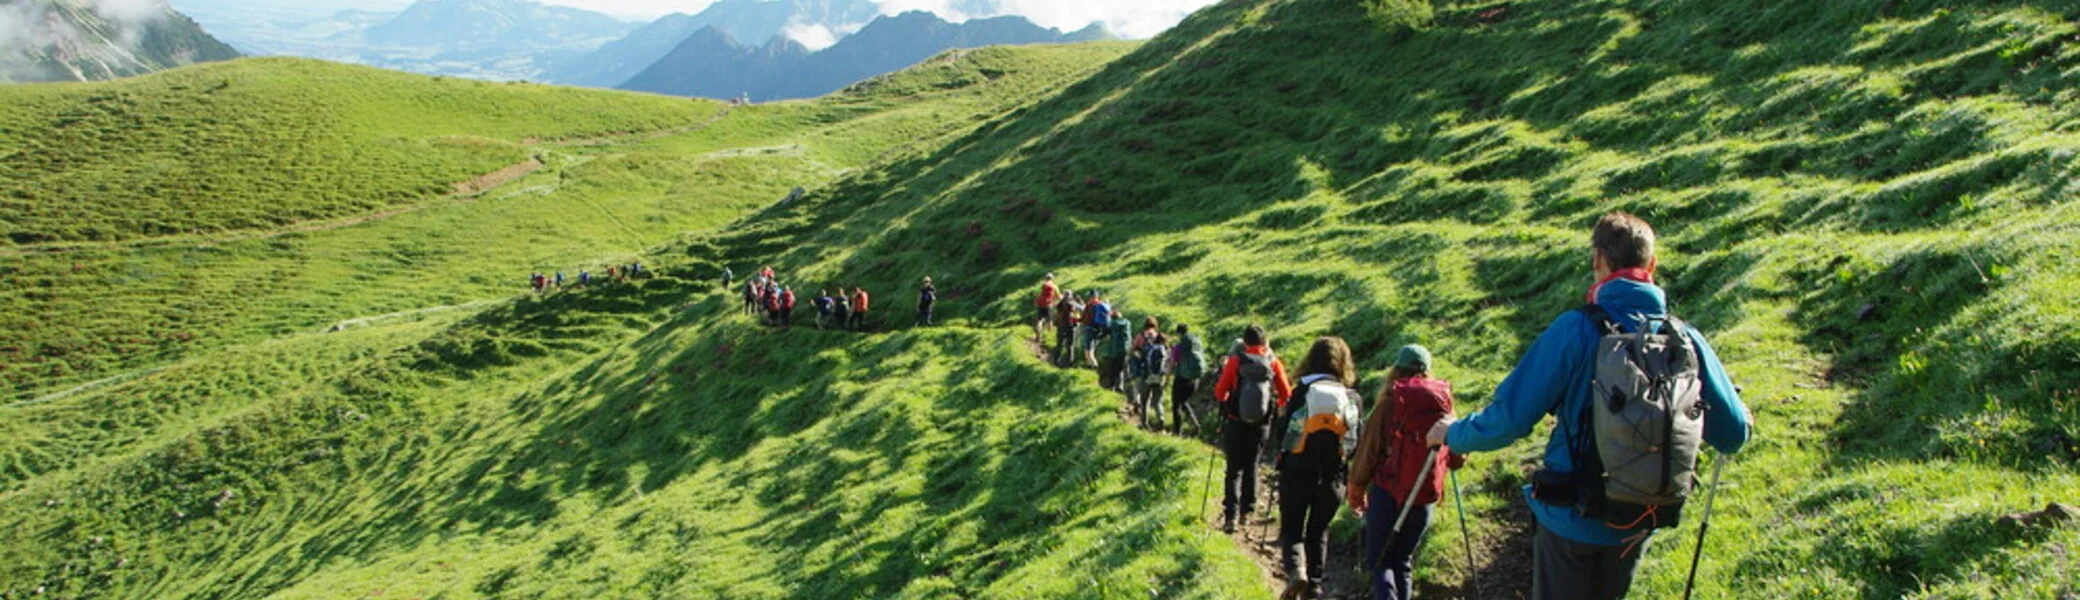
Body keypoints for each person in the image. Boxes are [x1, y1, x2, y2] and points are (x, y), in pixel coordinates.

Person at [1427, 212, 1753, 600]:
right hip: (1638, 517)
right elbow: (1732, 435)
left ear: (1598, 260)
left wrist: (1454, 434)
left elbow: (1510, 420)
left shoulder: (1576, 329)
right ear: (1652, 266)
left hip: (1571, 516)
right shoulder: (1685, 339)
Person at [1347, 345, 1460, 600]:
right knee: (1403, 561)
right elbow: (1458, 455)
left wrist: (1356, 490)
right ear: (1428, 371)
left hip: (1388, 494)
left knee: (1381, 562)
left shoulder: (1389, 404)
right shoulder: (1444, 406)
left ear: (1396, 370)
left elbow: (1368, 452)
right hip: (1424, 497)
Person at [1269, 337, 1364, 600]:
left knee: (1292, 528)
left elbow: (1283, 433)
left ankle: (1296, 569)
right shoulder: (1352, 398)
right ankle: (1315, 586)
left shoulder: (1301, 392)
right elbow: (1357, 443)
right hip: (1333, 477)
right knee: (1319, 530)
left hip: (1297, 472)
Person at [1212, 324, 1292, 532]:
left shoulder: (1236, 361)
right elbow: (1286, 395)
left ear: (1244, 342)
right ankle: (1247, 513)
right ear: (1264, 342)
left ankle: (1230, 515)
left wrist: (1230, 400)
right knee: (1252, 465)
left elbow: (1220, 392)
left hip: (1235, 421)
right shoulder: (1273, 363)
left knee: (1233, 469)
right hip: (1261, 424)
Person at [1168, 324, 1208, 436]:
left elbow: (1172, 364)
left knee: (1176, 405)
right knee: (1183, 401)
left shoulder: (1178, 347)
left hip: (1182, 378)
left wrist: (1166, 379)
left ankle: (1177, 432)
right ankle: (1195, 424)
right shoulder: (1195, 343)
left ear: (1178, 333)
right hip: (1195, 379)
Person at [1082, 292, 1112, 368]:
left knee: (1088, 351)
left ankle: (1094, 367)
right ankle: (1091, 366)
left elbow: (1084, 317)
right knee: (1090, 350)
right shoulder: (1102, 305)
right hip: (1099, 330)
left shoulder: (1090, 306)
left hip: (1090, 329)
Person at [1052, 290, 1080, 368]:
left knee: (1059, 344)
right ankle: (1070, 362)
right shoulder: (1072, 304)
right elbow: (1079, 310)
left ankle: (1056, 361)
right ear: (1070, 296)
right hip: (1070, 326)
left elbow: (1056, 313)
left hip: (1061, 326)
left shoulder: (1060, 304)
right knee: (1070, 345)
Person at [1035, 273, 1061, 343]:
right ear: (1052, 278)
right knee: (1050, 319)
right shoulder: (1054, 286)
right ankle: (1049, 335)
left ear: (1045, 278)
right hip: (1048, 304)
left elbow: (1038, 294)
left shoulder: (1043, 285)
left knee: (1039, 320)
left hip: (1040, 304)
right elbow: (1058, 296)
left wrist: (1037, 301)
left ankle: (1038, 335)